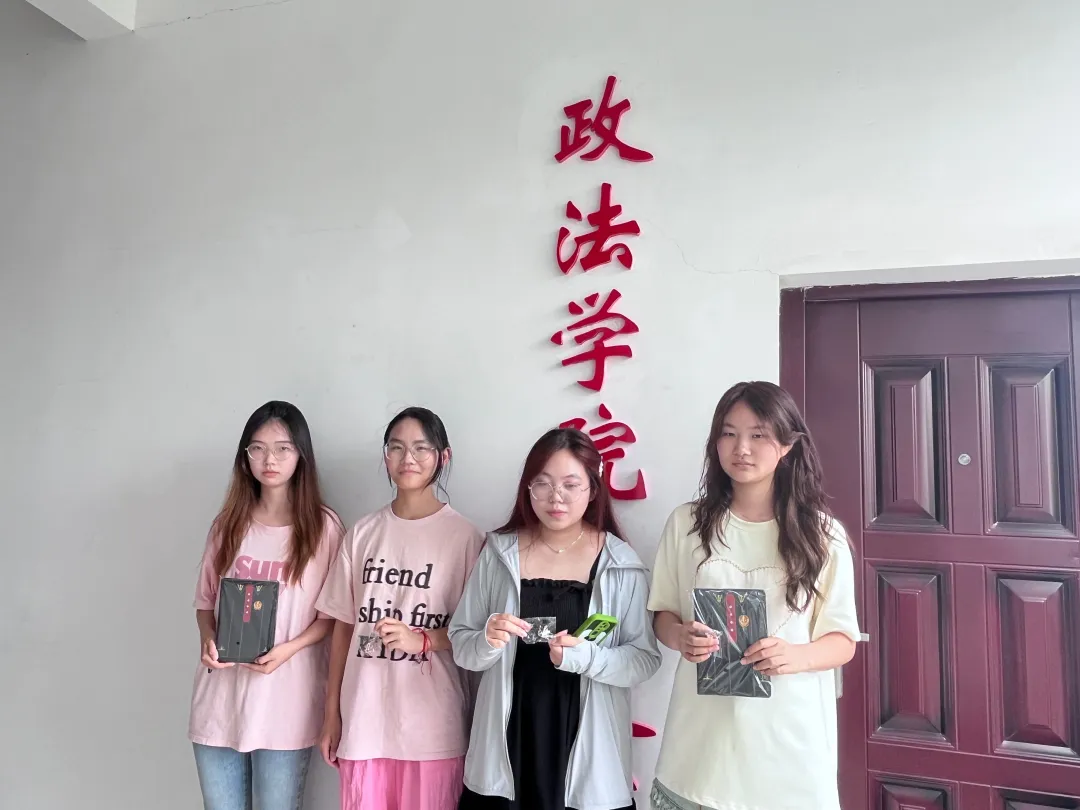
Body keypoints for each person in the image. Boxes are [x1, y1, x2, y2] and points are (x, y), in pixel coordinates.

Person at [648, 381, 861, 810]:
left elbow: (843, 641)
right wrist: (680, 637)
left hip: (787, 741)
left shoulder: (822, 535)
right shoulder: (687, 524)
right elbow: (663, 614)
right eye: (729, 433)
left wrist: (795, 656)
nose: (741, 448)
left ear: (787, 445)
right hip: (701, 741)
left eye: (758, 434)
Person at [451, 428, 662, 810]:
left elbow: (643, 659)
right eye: (543, 484)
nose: (556, 497)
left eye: (570, 484)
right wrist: (486, 640)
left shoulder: (620, 564)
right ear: (528, 488)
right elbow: (462, 644)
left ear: (593, 489)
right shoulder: (499, 554)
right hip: (508, 743)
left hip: (586, 749)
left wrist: (586, 658)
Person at [317, 407, 484, 810]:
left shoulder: (465, 538)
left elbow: (477, 634)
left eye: (421, 448)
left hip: (433, 727)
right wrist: (332, 713)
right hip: (364, 721)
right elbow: (343, 627)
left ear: (443, 456)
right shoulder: (362, 533)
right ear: (385, 456)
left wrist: (421, 640)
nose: (408, 458)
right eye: (396, 447)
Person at [189, 401, 345, 810]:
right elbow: (205, 602)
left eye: (282, 449)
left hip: (286, 705)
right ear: (245, 457)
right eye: (257, 449)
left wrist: (288, 649)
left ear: (301, 455)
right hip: (219, 703)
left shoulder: (323, 528)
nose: (269, 460)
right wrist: (208, 639)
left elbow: (332, 618)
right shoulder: (228, 524)